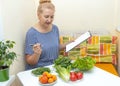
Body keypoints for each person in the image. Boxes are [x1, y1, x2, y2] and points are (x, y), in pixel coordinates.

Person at [24, 0, 67, 70]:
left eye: (52, 17)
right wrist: (36, 54)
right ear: (38, 15)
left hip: (53, 68)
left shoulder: (55, 29)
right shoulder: (32, 33)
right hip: (39, 71)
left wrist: (72, 43)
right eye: (46, 17)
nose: (49, 20)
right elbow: (30, 62)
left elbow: (55, 47)